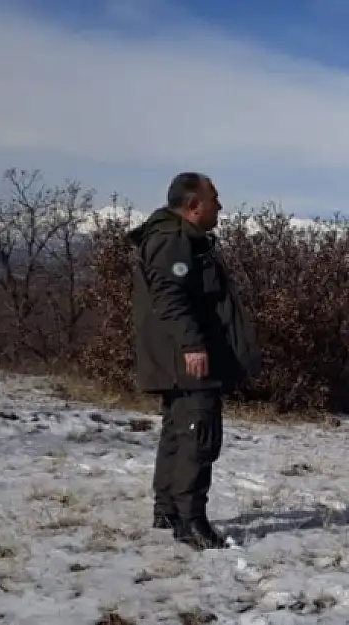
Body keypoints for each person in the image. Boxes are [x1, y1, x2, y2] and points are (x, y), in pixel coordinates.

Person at [128, 172, 261, 550]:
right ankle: (190, 521)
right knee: (197, 434)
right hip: (184, 358)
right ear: (193, 206)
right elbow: (170, 297)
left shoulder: (176, 238)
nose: (220, 206)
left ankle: (168, 508)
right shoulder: (173, 241)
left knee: (178, 429)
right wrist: (192, 346)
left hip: (178, 356)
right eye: (214, 199)